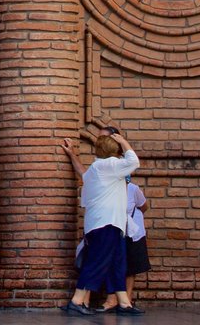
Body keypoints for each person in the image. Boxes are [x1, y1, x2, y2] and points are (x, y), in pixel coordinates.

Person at [64, 130, 144, 316]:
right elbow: (134, 161)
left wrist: (72, 155)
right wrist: (124, 141)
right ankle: (76, 300)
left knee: (117, 263)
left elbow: (82, 174)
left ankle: (124, 303)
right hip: (106, 224)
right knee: (97, 261)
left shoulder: (96, 168)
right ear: (114, 151)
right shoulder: (111, 165)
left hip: (104, 223)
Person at [100, 175, 151, 311]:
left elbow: (144, 206)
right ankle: (113, 299)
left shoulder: (133, 190)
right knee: (114, 264)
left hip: (132, 233)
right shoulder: (110, 191)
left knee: (131, 267)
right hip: (116, 230)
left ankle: (127, 300)